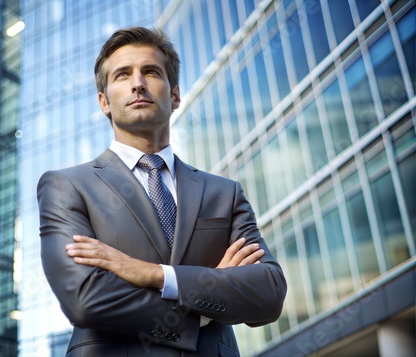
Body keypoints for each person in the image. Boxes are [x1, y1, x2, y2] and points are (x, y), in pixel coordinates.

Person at [37, 27, 287, 356]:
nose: (138, 83)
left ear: (175, 96)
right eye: (122, 75)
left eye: (151, 72)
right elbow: (86, 299)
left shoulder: (224, 193)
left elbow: (267, 293)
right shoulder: (67, 186)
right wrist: (204, 302)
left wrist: (156, 275)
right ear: (104, 102)